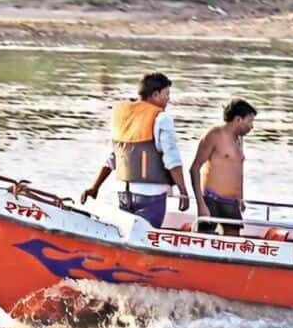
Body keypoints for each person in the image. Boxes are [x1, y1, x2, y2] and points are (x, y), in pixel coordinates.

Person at [81, 72, 189, 229]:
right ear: (156, 94)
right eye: (167, 94)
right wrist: (183, 190)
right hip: (151, 195)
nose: (168, 99)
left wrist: (95, 187)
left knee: (126, 236)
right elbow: (172, 160)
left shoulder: (122, 115)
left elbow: (113, 157)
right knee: (145, 237)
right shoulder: (161, 118)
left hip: (124, 194)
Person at [189, 99, 257, 236]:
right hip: (211, 200)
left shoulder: (239, 139)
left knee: (233, 241)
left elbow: (238, 170)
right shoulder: (214, 135)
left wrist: (240, 198)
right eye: (249, 121)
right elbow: (194, 168)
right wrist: (201, 204)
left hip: (232, 202)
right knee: (205, 239)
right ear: (238, 119)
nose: (252, 126)